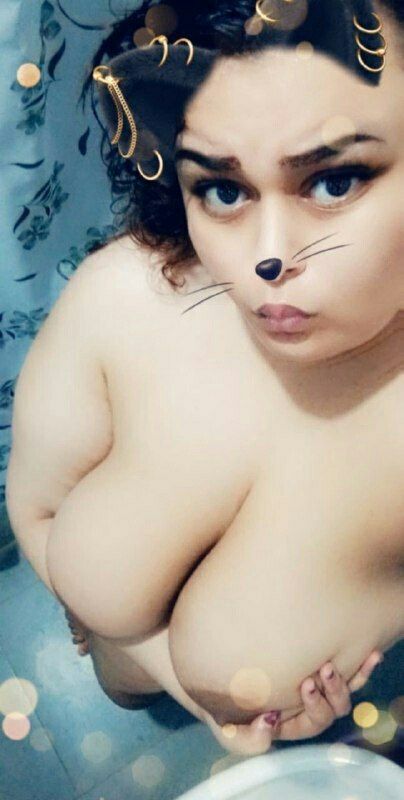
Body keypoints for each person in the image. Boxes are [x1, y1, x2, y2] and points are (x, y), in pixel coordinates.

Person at [5, 0, 403, 757]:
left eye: (335, 182)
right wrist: (183, 684)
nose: (268, 258)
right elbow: (36, 505)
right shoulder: (128, 296)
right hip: (120, 684)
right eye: (223, 190)